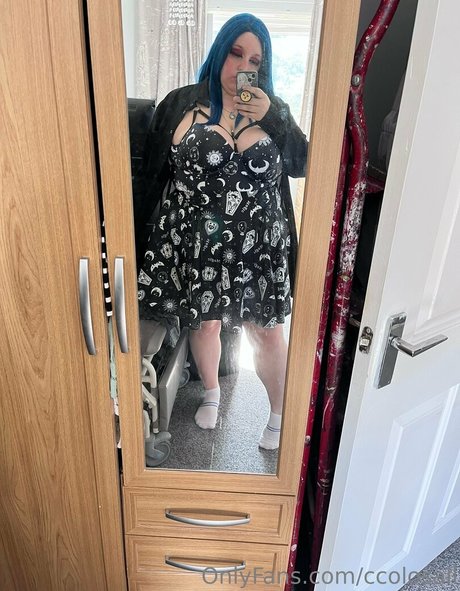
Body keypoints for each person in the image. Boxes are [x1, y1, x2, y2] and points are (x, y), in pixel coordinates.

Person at [136, 13, 308, 450]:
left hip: (259, 247)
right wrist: (136, 240)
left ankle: (279, 414)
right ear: (219, 52)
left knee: (266, 332)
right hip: (198, 243)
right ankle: (211, 391)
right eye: (236, 53)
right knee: (205, 323)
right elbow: (151, 175)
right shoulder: (180, 103)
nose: (243, 66)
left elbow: (304, 164)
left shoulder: (272, 109)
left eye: (255, 60)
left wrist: (274, 116)